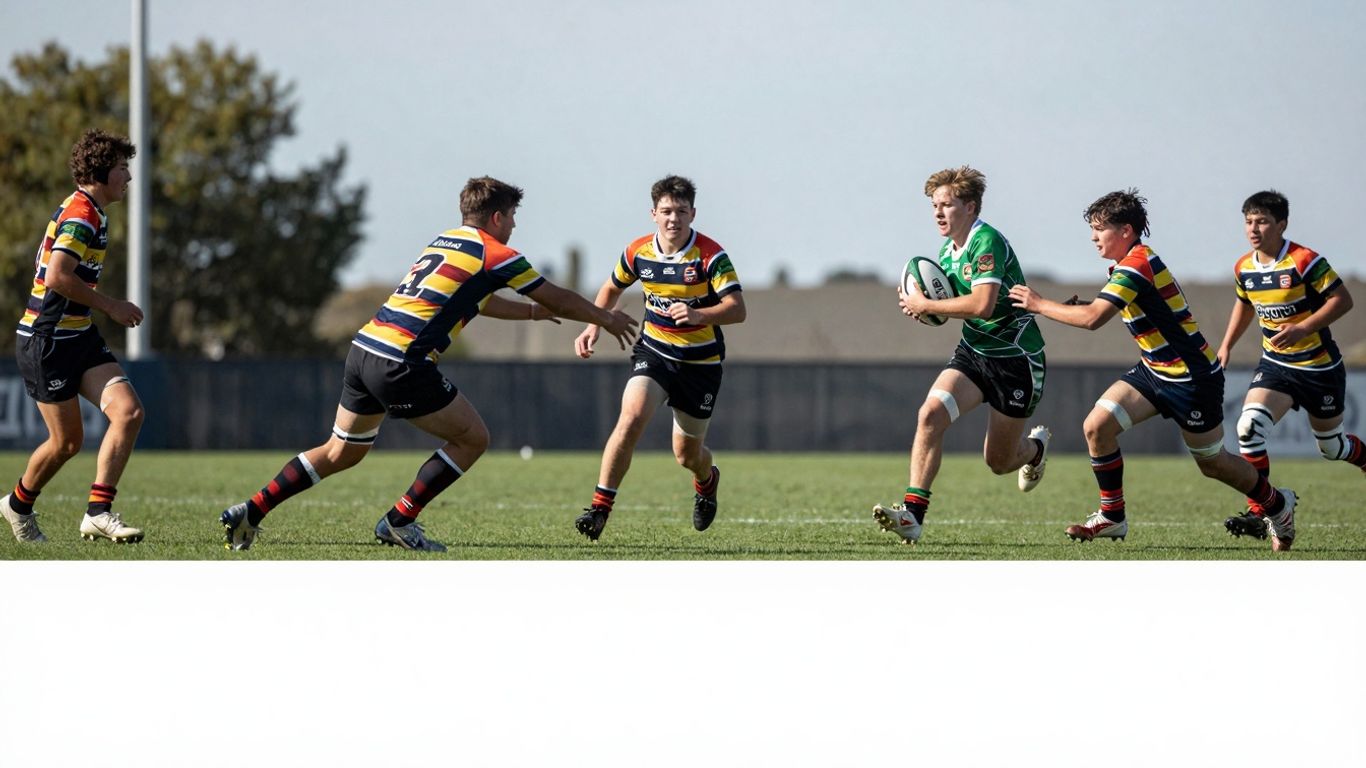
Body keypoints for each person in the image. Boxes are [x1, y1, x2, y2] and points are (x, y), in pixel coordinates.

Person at [218, 176, 637, 552]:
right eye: (511, 217)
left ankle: (252, 509)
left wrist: (531, 315)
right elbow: (556, 295)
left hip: (364, 350)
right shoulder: (497, 253)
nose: (513, 226)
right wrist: (605, 317)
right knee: (473, 438)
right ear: (495, 217)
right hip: (401, 361)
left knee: (340, 451)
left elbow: (479, 299)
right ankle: (400, 521)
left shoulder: (445, 241)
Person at [1009, 189, 1299, 551]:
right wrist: (1078, 305)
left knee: (1212, 463)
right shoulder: (1125, 265)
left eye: (1100, 229)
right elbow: (1113, 309)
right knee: (1097, 427)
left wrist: (1039, 303)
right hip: (1154, 370)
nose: (1093, 237)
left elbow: (1093, 320)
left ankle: (1278, 504)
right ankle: (1112, 516)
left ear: (1126, 231)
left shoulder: (1137, 264)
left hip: (1192, 378)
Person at [872, 166, 1051, 545]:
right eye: (935, 205)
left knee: (999, 463)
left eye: (947, 205)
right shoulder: (946, 252)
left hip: (1015, 360)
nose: (938, 213)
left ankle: (1034, 451)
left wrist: (927, 302)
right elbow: (951, 308)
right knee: (930, 415)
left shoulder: (986, 242)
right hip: (974, 352)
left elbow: (983, 304)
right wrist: (925, 310)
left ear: (970, 207)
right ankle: (912, 515)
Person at [572, 175, 745, 541]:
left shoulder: (711, 256)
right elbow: (610, 287)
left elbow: (737, 308)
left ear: (693, 214)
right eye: (666, 211)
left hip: (700, 364)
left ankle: (707, 480)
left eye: (681, 211)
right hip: (654, 351)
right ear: (653, 213)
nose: (673, 219)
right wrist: (594, 326)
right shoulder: (637, 252)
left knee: (687, 455)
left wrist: (701, 315)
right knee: (632, 416)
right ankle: (600, 508)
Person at [1, 129, 147, 544]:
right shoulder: (82, 216)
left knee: (129, 412)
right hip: (46, 341)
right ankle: (17, 505)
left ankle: (98, 512)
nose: (128, 178)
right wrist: (112, 306)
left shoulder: (93, 211)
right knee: (67, 443)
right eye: (122, 169)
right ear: (101, 172)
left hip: (77, 335)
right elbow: (58, 276)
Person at [1216, 190, 1362, 541]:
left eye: (1262, 221)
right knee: (1248, 428)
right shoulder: (1244, 267)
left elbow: (1344, 300)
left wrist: (1303, 328)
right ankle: (1261, 511)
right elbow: (1245, 305)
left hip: (1319, 369)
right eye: (1249, 221)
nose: (1254, 229)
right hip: (1277, 366)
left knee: (1332, 448)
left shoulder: (1304, 260)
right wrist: (1226, 345)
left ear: (1281, 224)